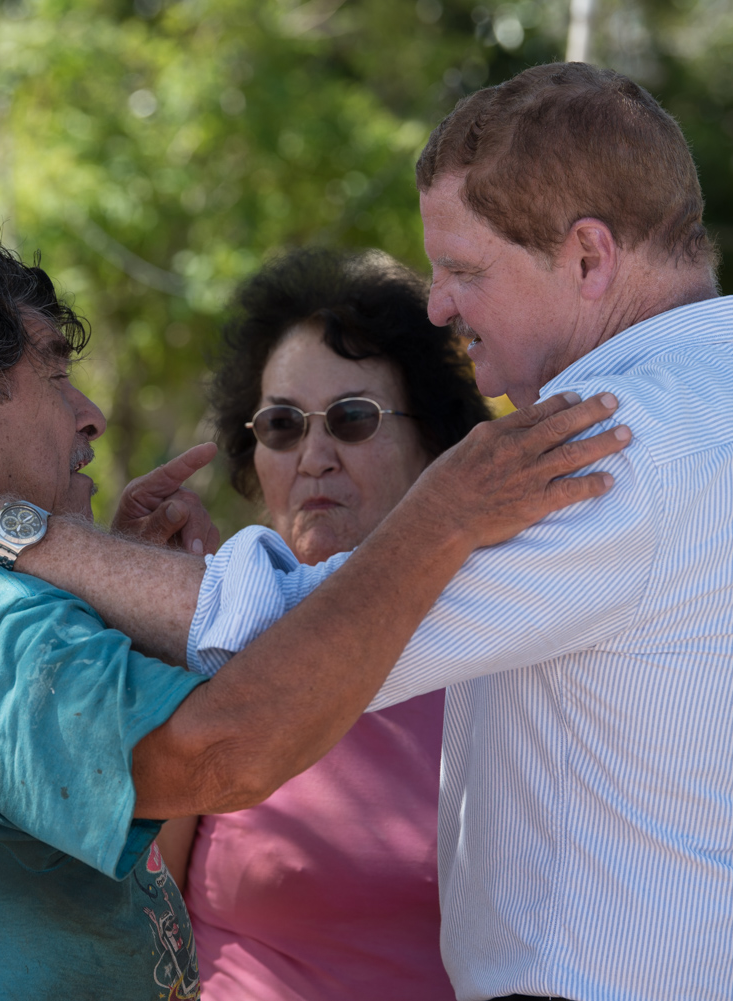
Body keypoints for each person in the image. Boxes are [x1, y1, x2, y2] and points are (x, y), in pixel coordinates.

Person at [0, 62, 733, 1001]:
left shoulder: (615, 443)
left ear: (588, 256)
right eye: (278, 423)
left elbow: (304, 627)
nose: (438, 306)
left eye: (465, 270)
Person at [0, 238, 627, 998]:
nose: (92, 413)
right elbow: (225, 752)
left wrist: (95, 602)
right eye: (54, 374)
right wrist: (444, 518)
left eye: (352, 419)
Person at [158, 247, 488, 1000]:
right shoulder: (206, 643)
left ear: (434, 442)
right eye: (281, 424)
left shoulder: (502, 647)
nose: (313, 456)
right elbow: (132, 922)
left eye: (351, 418)